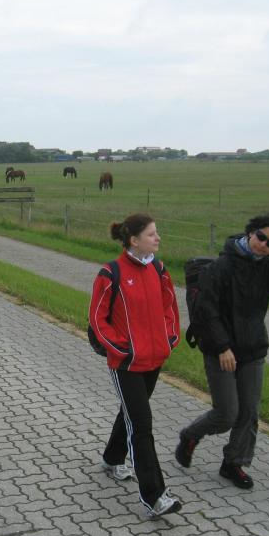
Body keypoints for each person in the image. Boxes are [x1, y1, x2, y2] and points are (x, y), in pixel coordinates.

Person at [175, 213, 269, 489]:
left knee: (249, 412)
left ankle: (233, 463)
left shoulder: (267, 270)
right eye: (261, 237)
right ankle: (190, 435)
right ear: (250, 232)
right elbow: (207, 311)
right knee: (227, 413)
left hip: (253, 349)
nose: (263, 245)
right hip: (220, 350)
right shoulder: (221, 267)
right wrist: (223, 347)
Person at [88, 213, 182, 518]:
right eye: (152, 234)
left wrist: (168, 339)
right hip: (126, 364)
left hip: (154, 360)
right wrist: (123, 349)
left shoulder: (159, 269)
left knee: (131, 413)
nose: (158, 238)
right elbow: (97, 319)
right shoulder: (110, 273)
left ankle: (112, 458)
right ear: (134, 240)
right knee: (141, 425)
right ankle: (155, 496)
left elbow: (170, 307)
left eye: (157, 233)